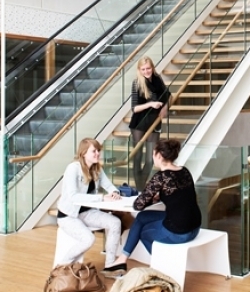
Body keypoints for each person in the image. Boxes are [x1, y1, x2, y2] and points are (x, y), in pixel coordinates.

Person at [105, 139, 202, 274]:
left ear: (159, 155)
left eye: (153, 153)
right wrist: (157, 196)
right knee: (143, 217)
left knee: (144, 233)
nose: (152, 156)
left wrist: (151, 197)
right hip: (194, 227)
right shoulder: (184, 171)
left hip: (179, 232)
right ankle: (122, 259)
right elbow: (178, 196)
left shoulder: (161, 177)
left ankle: (165, 269)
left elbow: (138, 205)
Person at [54, 138, 123, 275]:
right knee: (88, 239)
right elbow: (73, 197)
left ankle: (109, 266)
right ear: (83, 153)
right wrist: (102, 197)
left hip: (86, 213)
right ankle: (61, 266)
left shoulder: (97, 168)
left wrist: (114, 192)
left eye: (98, 151)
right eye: (94, 151)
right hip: (68, 216)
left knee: (115, 222)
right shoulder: (73, 169)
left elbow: (108, 185)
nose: (97, 153)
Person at [129, 56, 171, 191]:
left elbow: (168, 96)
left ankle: (141, 188)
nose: (146, 71)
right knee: (138, 157)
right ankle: (140, 190)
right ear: (139, 70)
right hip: (139, 123)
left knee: (150, 159)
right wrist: (150, 104)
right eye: (143, 69)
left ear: (152, 68)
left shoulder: (157, 80)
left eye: (148, 68)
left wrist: (165, 108)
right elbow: (134, 108)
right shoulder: (137, 83)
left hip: (154, 122)